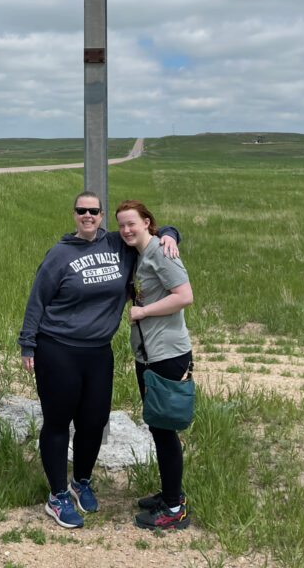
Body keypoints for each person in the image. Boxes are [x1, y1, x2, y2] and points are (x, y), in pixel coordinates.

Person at [18, 191, 181, 529]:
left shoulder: (117, 244)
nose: (88, 215)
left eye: (94, 211)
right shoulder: (60, 254)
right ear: (74, 214)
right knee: (58, 422)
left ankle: (81, 481)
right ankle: (58, 495)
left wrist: (171, 234)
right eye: (82, 211)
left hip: (98, 352)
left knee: (94, 422)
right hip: (58, 348)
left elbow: (152, 229)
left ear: (102, 214)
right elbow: (38, 299)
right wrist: (28, 344)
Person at [116, 199, 194, 531]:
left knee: (165, 431)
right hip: (149, 356)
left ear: (148, 222)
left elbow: (184, 295)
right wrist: (170, 232)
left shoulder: (162, 253)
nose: (126, 230)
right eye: (121, 225)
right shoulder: (142, 253)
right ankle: (170, 493)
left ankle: (175, 509)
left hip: (167, 355)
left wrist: (143, 312)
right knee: (158, 428)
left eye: (132, 223)